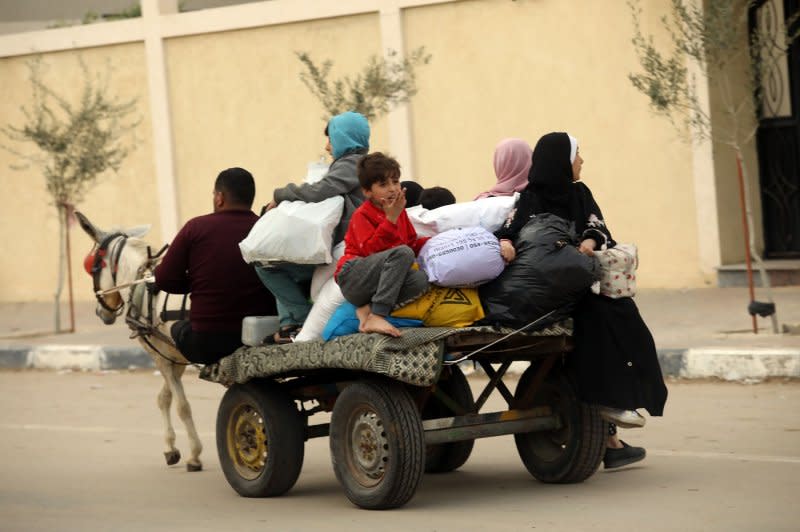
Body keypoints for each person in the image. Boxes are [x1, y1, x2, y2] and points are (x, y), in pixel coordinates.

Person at [496, 132, 668, 469]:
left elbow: (598, 226)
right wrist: (506, 244)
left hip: (577, 283)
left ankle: (617, 415)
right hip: (545, 293)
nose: (581, 162)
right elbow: (508, 232)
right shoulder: (528, 198)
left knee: (621, 313)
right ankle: (610, 423)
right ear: (562, 160)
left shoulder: (580, 193)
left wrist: (589, 242)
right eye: (578, 155)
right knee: (594, 320)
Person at [256, 111, 370, 344]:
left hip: (346, 250)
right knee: (280, 260)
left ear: (344, 139)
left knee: (268, 266)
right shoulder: (357, 165)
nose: (328, 147)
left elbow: (320, 191)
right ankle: (291, 324)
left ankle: (301, 321)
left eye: (331, 139)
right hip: (344, 248)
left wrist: (281, 194)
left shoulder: (352, 165)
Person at [154, 167, 277, 365]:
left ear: (219, 197)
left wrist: (197, 283)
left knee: (177, 327)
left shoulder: (195, 228)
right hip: (263, 336)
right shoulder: (266, 227)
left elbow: (164, 279)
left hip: (208, 341)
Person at [335, 152, 430, 337]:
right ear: (367, 191)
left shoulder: (399, 212)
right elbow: (370, 251)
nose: (393, 189)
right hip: (353, 277)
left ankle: (368, 311)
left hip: (377, 285)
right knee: (402, 253)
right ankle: (378, 315)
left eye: (395, 182)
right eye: (383, 184)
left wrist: (437, 241)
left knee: (420, 279)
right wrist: (391, 219)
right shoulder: (362, 215)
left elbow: (410, 243)